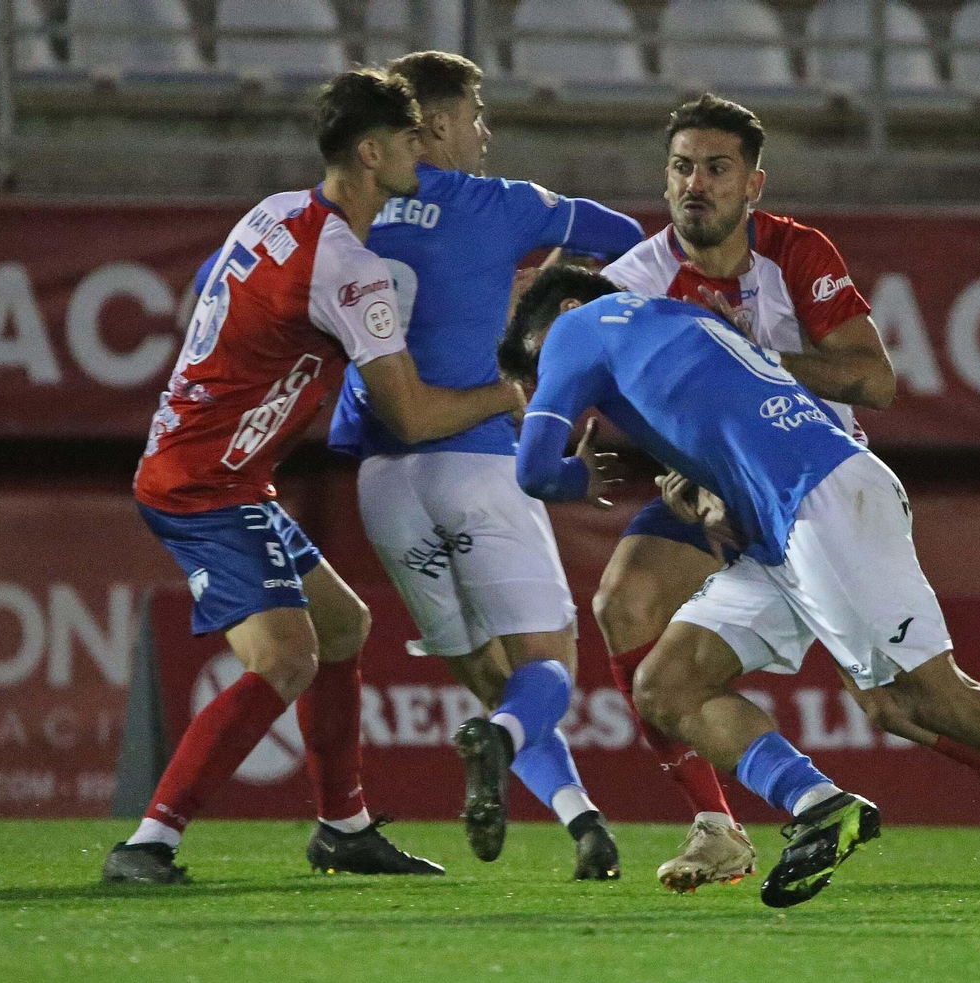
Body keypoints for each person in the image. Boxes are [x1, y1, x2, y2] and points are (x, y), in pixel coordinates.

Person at [500, 266, 980, 916]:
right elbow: (735, 426)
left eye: (536, 367)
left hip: (818, 500)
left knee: (934, 697)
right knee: (667, 683)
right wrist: (706, 483)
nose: (544, 385)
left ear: (562, 313)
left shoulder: (576, 326)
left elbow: (534, 470)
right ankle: (821, 806)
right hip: (787, 520)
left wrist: (578, 478)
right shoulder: (677, 319)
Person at [599, 93, 980, 902]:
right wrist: (682, 457)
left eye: (715, 168)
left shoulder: (795, 253)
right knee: (634, 622)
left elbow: (872, 379)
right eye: (680, 168)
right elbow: (617, 391)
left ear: (753, 185)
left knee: (910, 704)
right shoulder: (636, 277)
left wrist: (745, 360)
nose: (694, 183)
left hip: (816, 488)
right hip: (730, 496)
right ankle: (741, 818)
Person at [103, 69, 524, 884]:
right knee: (286, 658)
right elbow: (411, 418)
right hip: (203, 485)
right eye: (408, 140)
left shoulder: (275, 211)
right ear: (371, 152)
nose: (422, 150)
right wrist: (512, 393)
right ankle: (148, 842)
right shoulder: (347, 268)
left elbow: (204, 304)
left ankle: (344, 826)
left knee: (343, 626)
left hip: (216, 465)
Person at [324, 51, 644, 880]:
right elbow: (629, 241)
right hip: (473, 460)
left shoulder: (348, 213)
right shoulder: (502, 205)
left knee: (486, 677)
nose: (485, 132)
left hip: (383, 482)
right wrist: (550, 290)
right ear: (432, 124)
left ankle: (585, 826)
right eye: (474, 114)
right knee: (545, 670)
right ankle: (503, 746)